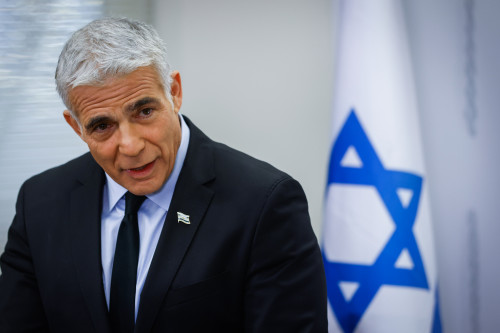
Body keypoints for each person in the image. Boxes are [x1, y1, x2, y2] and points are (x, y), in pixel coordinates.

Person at [0, 17, 327, 332]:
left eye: (144, 112)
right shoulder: (39, 202)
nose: (129, 145)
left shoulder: (264, 204)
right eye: (102, 126)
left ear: (175, 92)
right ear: (76, 127)